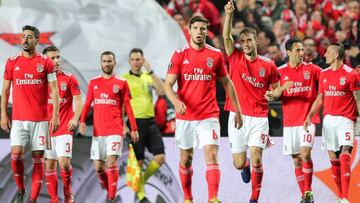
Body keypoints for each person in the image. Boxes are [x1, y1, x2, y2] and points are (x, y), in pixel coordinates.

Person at [165, 15, 242, 203]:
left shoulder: (215, 55)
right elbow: (168, 84)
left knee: (211, 153)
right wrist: (176, 103)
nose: (199, 32)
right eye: (196, 28)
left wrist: (238, 110)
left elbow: (227, 82)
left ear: (207, 32)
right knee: (186, 159)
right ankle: (188, 198)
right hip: (185, 117)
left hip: (209, 115)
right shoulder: (179, 54)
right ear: (189, 31)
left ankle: (213, 198)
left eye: (203, 29)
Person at [223, 2, 280, 203]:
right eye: (243, 40)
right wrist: (228, 15)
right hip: (237, 117)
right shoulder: (235, 57)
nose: (246, 43)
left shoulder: (268, 64)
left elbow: (277, 87)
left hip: (259, 118)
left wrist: (275, 94)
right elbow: (226, 37)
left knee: (257, 157)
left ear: (256, 41)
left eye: (249, 40)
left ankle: (254, 199)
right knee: (239, 164)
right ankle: (244, 166)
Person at [0, 25, 60, 203]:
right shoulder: (12, 61)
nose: (25, 40)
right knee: (16, 155)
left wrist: (55, 116)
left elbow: (54, 91)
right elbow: (5, 89)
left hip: (41, 121)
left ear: (36, 40)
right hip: (19, 120)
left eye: (29, 37)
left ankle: (32, 198)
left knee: (38, 160)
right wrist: (3, 114)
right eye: (23, 36)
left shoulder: (45, 62)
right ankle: (20, 189)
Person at [79, 51, 139, 203]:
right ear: (101, 64)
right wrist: (82, 121)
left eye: (110, 61)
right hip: (98, 132)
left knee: (111, 162)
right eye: (104, 61)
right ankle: (109, 190)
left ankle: (111, 198)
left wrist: (133, 128)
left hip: (115, 130)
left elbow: (128, 107)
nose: (107, 64)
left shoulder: (121, 83)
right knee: (99, 168)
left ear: (114, 63)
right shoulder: (94, 83)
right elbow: (87, 104)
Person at [304, 44, 360, 203]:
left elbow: (357, 98)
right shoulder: (323, 74)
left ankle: (345, 197)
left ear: (336, 55)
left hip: (346, 120)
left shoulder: (351, 74)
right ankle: (340, 194)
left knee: (344, 153)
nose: (325, 54)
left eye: (328, 52)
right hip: (328, 120)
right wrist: (310, 114)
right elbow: (320, 98)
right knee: (333, 158)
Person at [268, 38, 321, 203]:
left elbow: (329, 75)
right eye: (297, 50)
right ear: (288, 52)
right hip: (290, 122)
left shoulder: (311, 69)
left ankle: (308, 191)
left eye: (302, 50)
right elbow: (272, 94)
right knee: (296, 160)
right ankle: (303, 195)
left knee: (305, 154)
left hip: (308, 120)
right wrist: (282, 88)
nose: (301, 53)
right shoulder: (280, 72)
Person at [122, 48, 166, 203]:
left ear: (143, 60)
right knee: (138, 162)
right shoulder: (124, 79)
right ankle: (141, 196)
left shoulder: (149, 77)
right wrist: (123, 124)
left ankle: (140, 182)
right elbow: (119, 104)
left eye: (138, 59)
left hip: (151, 121)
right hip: (134, 123)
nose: (136, 62)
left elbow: (161, 91)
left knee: (160, 157)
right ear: (129, 61)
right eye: (133, 59)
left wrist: (151, 70)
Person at [42, 46, 83, 203]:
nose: (56, 61)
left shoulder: (69, 78)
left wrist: (75, 118)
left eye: (58, 57)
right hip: (46, 130)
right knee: (50, 165)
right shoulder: (40, 80)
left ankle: (67, 192)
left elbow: (79, 100)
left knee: (64, 163)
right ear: (45, 60)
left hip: (64, 127)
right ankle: (54, 199)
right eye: (52, 58)